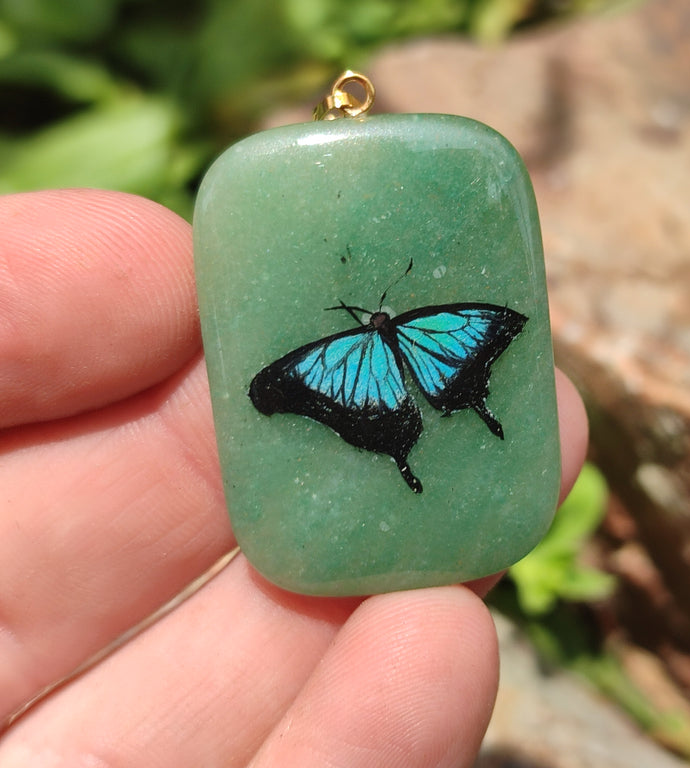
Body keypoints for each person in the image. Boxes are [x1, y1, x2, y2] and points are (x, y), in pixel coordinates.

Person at [0, 189, 589, 767]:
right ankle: (461, 422)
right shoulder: (423, 328)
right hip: (413, 380)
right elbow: (481, 328)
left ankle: (418, 454)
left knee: (403, 414)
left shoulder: (342, 352)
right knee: (427, 399)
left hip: (383, 394)